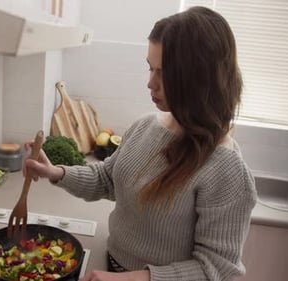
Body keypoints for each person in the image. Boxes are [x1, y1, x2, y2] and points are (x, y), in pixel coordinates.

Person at [23, 6, 257, 281]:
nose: (150, 83)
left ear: (199, 78)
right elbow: (108, 178)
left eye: (164, 72)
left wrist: (132, 278)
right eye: (150, 67)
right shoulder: (147, 125)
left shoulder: (227, 170)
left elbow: (215, 269)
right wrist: (57, 173)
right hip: (111, 263)